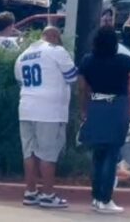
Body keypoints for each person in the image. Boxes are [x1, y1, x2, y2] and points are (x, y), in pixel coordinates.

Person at [78, 24, 130, 215]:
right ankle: (105, 199)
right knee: (111, 154)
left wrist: (84, 109)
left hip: (95, 106)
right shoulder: (122, 61)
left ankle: (96, 197)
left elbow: (82, 88)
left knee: (98, 154)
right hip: (116, 108)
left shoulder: (87, 61)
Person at [16, 25, 77, 209]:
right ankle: (48, 194)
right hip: (50, 112)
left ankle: (30, 192)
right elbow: (72, 76)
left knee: (29, 152)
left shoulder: (22, 56)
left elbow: (20, 81)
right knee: (48, 154)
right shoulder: (57, 51)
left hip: (26, 108)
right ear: (55, 36)